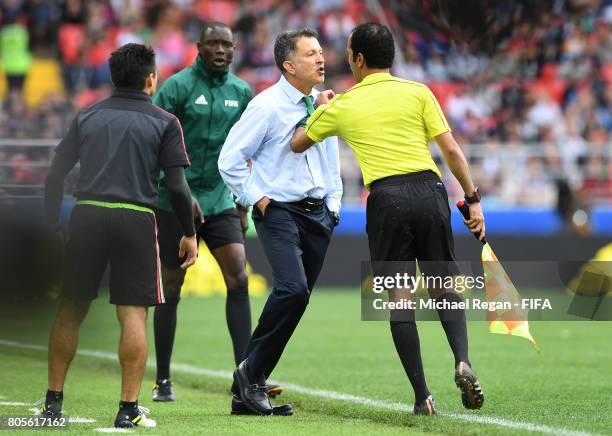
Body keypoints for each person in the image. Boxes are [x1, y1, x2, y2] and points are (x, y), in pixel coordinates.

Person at [290, 23, 485, 416]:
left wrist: (320, 107)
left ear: (359, 59)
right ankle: (462, 359)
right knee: (445, 286)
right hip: (430, 192)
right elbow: (451, 149)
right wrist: (473, 200)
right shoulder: (419, 93)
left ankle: (422, 397)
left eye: (348, 53)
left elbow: (297, 144)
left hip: (387, 199)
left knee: (400, 296)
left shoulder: (344, 103)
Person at [41, 43, 198, 428]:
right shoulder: (165, 121)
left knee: (72, 308)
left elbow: (54, 174)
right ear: (150, 79)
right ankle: (127, 408)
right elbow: (177, 188)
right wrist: (190, 233)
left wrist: (50, 225)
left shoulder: (87, 115)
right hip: (136, 218)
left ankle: (52, 404)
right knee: (133, 315)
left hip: (88, 214)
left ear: (113, 78)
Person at [218, 28, 342, 416]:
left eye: (321, 51)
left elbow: (330, 158)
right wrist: (259, 198)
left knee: (298, 298)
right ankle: (250, 375)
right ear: (289, 65)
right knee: (291, 289)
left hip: (319, 213)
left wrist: (334, 206)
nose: (321, 59)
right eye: (311, 54)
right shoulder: (266, 106)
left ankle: (248, 387)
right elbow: (230, 160)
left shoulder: (321, 103)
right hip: (280, 211)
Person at [151, 21, 261, 404]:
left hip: (220, 200)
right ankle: (163, 379)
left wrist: (244, 203)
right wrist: (176, 189)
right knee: (171, 287)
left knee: (239, 277)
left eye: (226, 45)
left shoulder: (241, 92)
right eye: (212, 43)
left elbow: (250, 151)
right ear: (198, 47)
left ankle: (246, 378)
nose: (220, 50)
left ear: (234, 50)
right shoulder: (177, 87)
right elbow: (152, 141)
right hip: (174, 202)